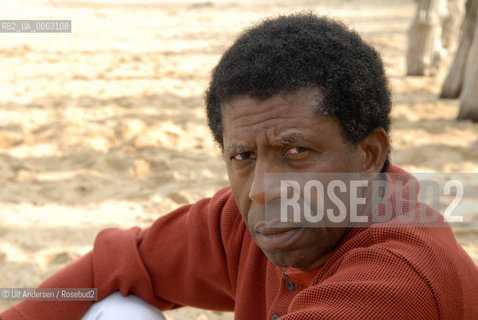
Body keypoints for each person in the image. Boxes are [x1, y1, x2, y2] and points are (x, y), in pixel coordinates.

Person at [2, 13, 478, 320]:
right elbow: (113, 269)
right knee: (118, 308)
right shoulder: (253, 219)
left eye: (296, 152)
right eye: (243, 157)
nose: (263, 189)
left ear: (369, 156)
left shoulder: (398, 280)